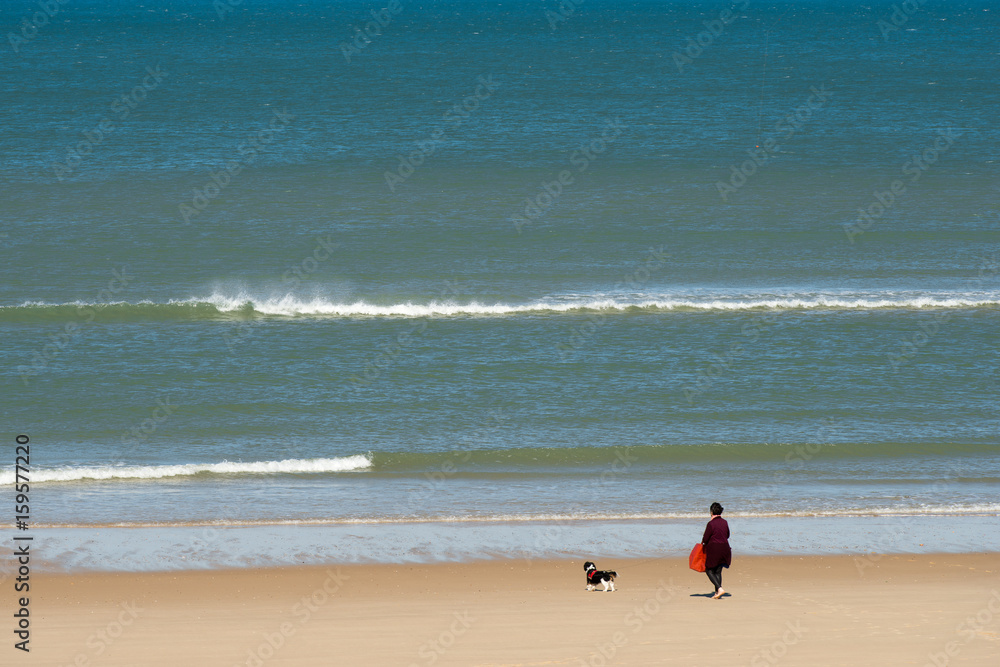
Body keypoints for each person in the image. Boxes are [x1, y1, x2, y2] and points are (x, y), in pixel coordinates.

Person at [702, 502, 731, 599]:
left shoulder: (711, 524)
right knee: (718, 571)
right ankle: (717, 593)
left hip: (714, 549)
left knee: (709, 570)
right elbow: (727, 535)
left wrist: (702, 544)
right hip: (725, 548)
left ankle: (719, 588)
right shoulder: (725, 522)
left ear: (711, 512)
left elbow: (705, 538)